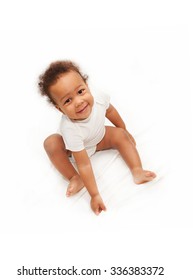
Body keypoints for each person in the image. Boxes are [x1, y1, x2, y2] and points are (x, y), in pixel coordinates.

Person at [38, 60, 156, 215]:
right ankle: (74, 178)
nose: (79, 102)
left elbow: (111, 112)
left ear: (86, 85)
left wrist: (124, 130)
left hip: (99, 138)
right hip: (75, 150)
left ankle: (137, 170)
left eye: (80, 92)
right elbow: (84, 164)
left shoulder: (99, 97)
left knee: (119, 134)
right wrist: (94, 195)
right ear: (59, 109)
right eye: (68, 100)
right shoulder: (70, 129)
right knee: (51, 143)